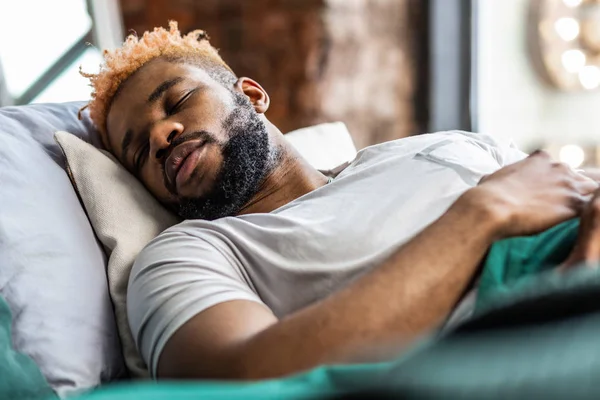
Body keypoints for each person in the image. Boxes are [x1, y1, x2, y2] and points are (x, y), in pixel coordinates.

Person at [82, 22, 600, 381]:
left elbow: (571, 186)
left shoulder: (439, 145)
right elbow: (243, 378)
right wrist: (483, 214)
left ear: (252, 95)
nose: (161, 137)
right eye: (138, 152)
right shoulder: (189, 254)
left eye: (177, 101)